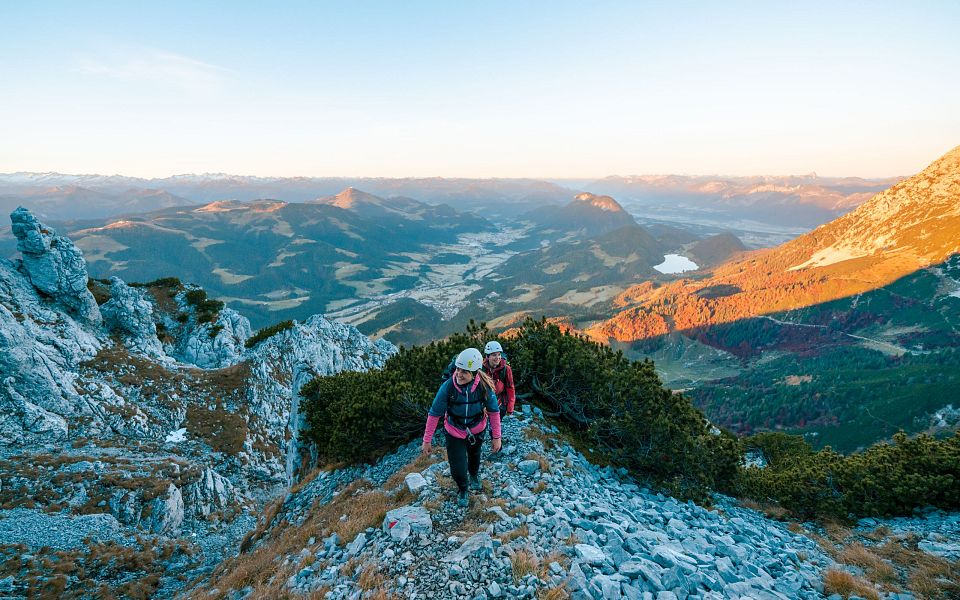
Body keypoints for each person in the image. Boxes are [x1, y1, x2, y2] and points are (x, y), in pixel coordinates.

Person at [422, 348, 502, 507]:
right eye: (458, 369)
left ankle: (473, 475)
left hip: (477, 429)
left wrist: (497, 437)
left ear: (474, 373)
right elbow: (434, 413)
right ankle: (463, 488)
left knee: (474, 457)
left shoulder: (483, 387)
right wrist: (427, 440)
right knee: (457, 467)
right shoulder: (448, 387)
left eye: (464, 371)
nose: (458, 374)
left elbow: (494, 412)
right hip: (454, 431)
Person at [482, 341, 515, 417]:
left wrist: (510, 407)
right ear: (488, 356)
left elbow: (510, 388)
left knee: (496, 424)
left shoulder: (506, 369)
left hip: (500, 403)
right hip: (485, 402)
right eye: (494, 355)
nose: (497, 358)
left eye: (499, 355)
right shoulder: (481, 369)